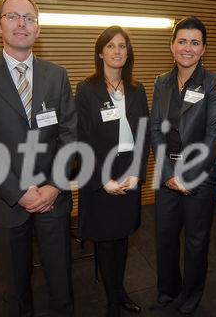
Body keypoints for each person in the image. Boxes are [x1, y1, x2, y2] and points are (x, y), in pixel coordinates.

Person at [0, 0, 76, 316]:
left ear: (38, 29)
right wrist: (18, 193)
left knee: (61, 281)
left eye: (29, 18)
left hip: (54, 198)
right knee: (15, 288)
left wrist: (54, 185)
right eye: (13, 16)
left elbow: (70, 135)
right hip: (7, 200)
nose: (22, 24)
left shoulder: (57, 75)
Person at [150, 16, 216, 314]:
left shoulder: (214, 83)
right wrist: (170, 175)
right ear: (172, 46)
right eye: (182, 41)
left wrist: (187, 176)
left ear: (203, 49)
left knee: (196, 241)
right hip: (166, 175)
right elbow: (156, 129)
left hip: (201, 175)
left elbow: (214, 136)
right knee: (165, 237)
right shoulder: (162, 82)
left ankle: (192, 295)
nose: (187, 48)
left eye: (195, 43)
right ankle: (168, 288)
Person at [75, 26, 149, 317]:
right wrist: (102, 179)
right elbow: (80, 140)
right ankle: (110, 302)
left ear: (128, 53)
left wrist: (137, 173)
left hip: (129, 173)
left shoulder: (136, 89)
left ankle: (120, 291)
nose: (117, 51)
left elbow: (144, 136)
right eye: (111, 45)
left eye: (122, 46)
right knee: (105, 241)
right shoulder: (86, 89)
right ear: (100, 52)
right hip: (99, 176)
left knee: (122, 238)